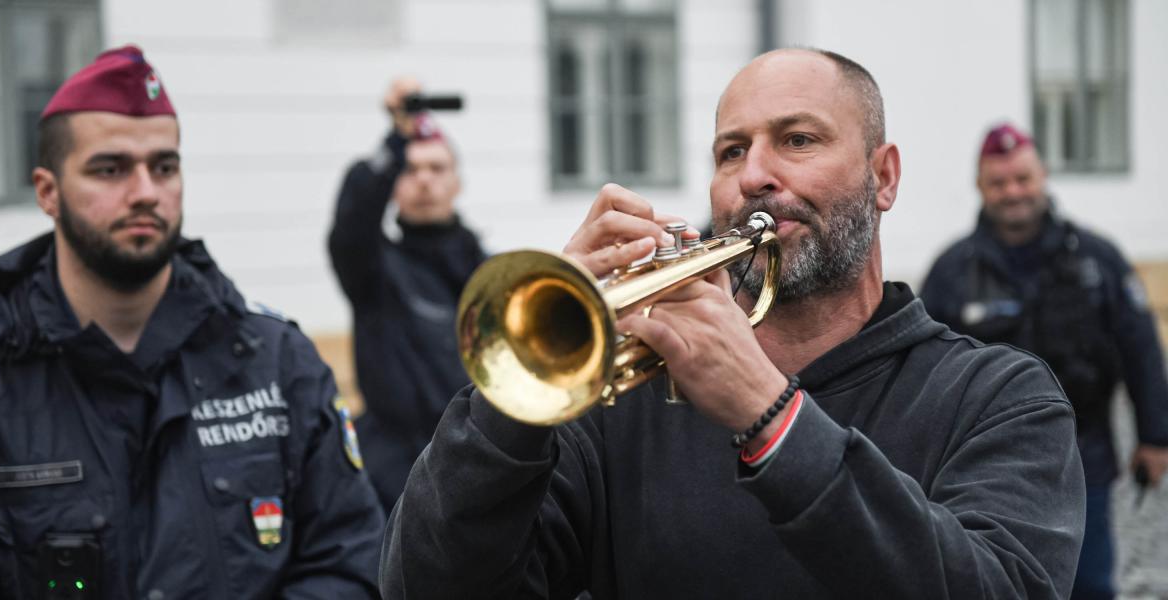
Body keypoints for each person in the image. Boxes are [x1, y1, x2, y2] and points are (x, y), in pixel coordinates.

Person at [380, 49, 1085, 598]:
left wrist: (768, 413)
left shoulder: (999, 397)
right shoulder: (618, 406)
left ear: (885, 177)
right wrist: (520, 397)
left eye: (799, 139)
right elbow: (426, 587)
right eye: (730, 151)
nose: (755, 175)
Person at [0, 46, 385, 599]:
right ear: (48, 191)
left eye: (164, 167)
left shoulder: (275, 361)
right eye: (110, 168)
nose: (145, 192)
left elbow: (350, 561)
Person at [921, 123, 1168, 600]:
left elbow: (1140, 346)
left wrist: (1155, 437)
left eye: (1022, 179)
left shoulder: (1097, 260)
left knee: (1090, 584)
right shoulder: (952, 271)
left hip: (1084, 458)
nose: (1013, 192)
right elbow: (923, 369)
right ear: (980, 186)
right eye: (999, 182)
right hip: (982, 466)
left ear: (1043, 176)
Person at [328, 77, 486, 513]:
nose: (424, 181)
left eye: (437, 168)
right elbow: (352, 223)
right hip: (393, 479)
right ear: (393, 185)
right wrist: (396, 139)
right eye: (410, 170)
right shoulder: (375, 270)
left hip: (478, 463)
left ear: (457, 182)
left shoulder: (490, 272)